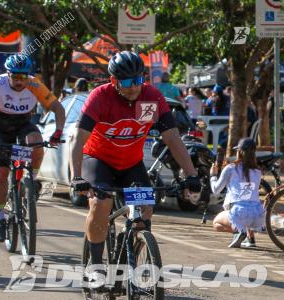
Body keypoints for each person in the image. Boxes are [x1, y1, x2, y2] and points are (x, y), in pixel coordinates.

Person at [69, 51, 201, 282]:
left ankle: (130, 247)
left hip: (130, 162)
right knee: (101, 203)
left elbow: (172, 138)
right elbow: (78, 139)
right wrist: (76, 176)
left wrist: (191, 175)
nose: (133, 87)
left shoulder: (151, 97)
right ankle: (97, 267)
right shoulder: (100, 97)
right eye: (127, 82)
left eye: (138, 80)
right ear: (114, 81)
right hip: (98, 159)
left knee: (145, 209)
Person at [0, 53, 65, 241]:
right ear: (8, 74)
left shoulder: (35, 84)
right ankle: (0, 219)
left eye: (24, 77)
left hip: (23, 124)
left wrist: (57, 133)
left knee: (37, 142)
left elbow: (58, 108)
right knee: (0, 175)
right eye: (15, 76)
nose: (20, 81)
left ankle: (31, 178)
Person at [210, 137, 264, 248]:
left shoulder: (231, 168)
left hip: (239, 212)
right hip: (257, 215)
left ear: (239, 152)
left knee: (216, 223)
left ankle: (239, 231)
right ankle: (250, 239)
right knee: (248, 201)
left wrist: (213, 175)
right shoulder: (258, 171)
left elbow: (216, 190)